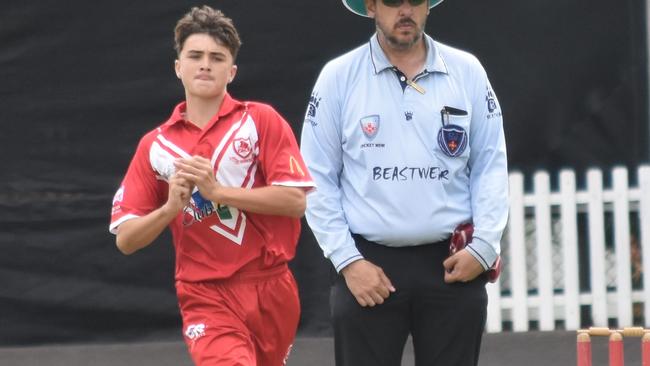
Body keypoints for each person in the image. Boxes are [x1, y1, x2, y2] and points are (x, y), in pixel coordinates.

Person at [300, 0, 509, 365]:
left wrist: (484, 247)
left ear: (428, 7)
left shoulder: (467, 71)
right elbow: (316, 178)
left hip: (452, 261)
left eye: (415, 0)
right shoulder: (338, 77)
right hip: (367, 264)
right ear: (370, 7)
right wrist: (348, 261)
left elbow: (490, 164)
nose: (405, 10)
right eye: (393, 1)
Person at [109, 6, 315, 365]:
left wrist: (218, 192)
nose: (205, 64)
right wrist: (169, 209)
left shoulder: (260, 120)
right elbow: (126, 240)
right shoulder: (155, 145)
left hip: (272, 286)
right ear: (178, 67)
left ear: (231, 71)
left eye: (217, 57)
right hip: (204, 292)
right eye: (195, 55)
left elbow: (295, 201)